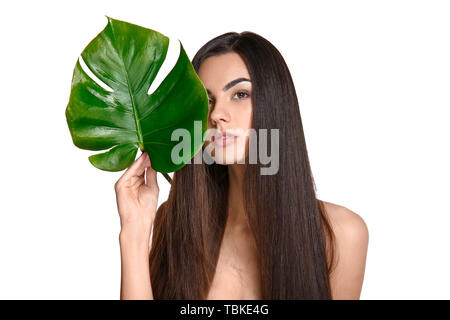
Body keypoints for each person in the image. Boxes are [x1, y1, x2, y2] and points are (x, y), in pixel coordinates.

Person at [114, 31, 369, 300]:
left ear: (275, 104)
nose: (216, 115)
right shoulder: (174, 221)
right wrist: (134, 232)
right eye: (206, 100)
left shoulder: (340, 234)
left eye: (240, 94)